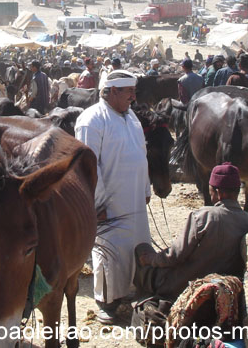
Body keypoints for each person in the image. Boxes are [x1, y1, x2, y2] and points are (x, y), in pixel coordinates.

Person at [75, 70, 151, 324]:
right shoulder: (92, 120)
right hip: (110, 206)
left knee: (135, 247)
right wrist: (98, 204)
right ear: (113, 91)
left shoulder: (132, 118)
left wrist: (145, 189)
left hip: (135, 201)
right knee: (111, 252)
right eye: (129, 91)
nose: (133, 96)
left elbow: (142, 154)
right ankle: (106, 302)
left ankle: (128, 293)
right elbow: (88, 166)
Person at [134, 163, 248, 299]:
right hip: (224, 290)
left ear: (218, 192)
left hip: (184, 286)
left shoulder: (203, 216)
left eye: (210, 189)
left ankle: (143, 298)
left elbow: (174, 256)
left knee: (141, 249)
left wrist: (151, 259)